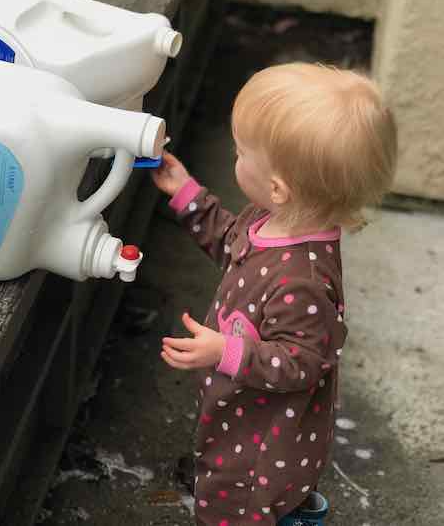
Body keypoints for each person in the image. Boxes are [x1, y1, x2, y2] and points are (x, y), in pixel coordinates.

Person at [151, 63, 397, 525]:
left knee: (234, 511)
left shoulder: (302, 278)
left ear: (279, 187)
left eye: (242, 152)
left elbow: (303, 363)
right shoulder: (269, 221)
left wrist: (227, 351)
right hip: (240, 412)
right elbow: (231, 244)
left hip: (260, 445)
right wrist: (186, 193)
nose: (234, 156)